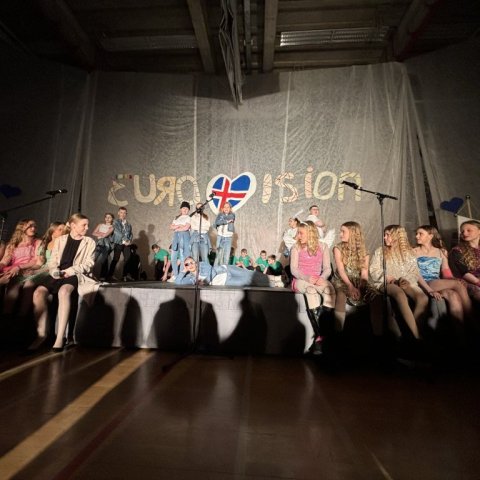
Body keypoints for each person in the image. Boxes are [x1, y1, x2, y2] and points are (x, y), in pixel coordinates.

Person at [30, 213, 96, 351]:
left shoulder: (89, 242)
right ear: (73, 226)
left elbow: (89, 264)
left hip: (75, 274)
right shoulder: (61, 240)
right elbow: (53, 260)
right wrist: (54, 270)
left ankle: (60, 337)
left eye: (87, 225)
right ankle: (41, 335)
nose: (87, 228)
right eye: (84, 225)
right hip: (57, 273)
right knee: (38, 293)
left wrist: (70, 271)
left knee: (64, 292)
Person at [369, 225, 428, 341]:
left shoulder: (409, 252)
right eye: (384, 235)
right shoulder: (380, 251)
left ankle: (412, 329)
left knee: (423, 298)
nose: (384, 237)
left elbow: (414, 271)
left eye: (388, 235)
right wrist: (389, 278)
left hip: (406, 282)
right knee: (399, 293)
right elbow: (374, 270)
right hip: (386, 282)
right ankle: (416, 336)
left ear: (397, 236)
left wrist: (405, 280)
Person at [290, 221, 336, 354]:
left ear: (310, 233)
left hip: (318, 278)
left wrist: (323, 278)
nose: (298, 236)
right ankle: (321, 336)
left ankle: (325, 335)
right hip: (301, 279)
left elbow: (327, 268)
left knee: (330, 290)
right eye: (298, 233)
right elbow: (294, 269)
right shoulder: (296, 247)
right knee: (311, 291)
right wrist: (306, 278)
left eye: (301, 233)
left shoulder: (323, 246)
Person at [414, 225, 472, 324]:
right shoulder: (413, 251)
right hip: (422, 282)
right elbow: (415, 273)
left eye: (420, 234)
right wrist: (430, 290)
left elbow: (445, 270)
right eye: (416, 234)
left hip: (436, 282)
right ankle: (472, 318)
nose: (417, 236)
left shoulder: (441, 251)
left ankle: (460, 330)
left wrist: (452, 279)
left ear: (430, 236)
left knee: (453, 295)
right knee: (458, 284)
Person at [332, 221, 376, 331]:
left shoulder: (364, 251)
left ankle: (378, 333)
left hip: (359, 280)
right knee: (341, 295)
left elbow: (364, 272)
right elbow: (341, 270)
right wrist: (350, 286)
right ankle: (337, 332)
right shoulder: (338, 248)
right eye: (340, 231)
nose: (340, 234)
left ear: (352, 233)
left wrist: (360, 287)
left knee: (376, 296)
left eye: (343, 232)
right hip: (343, 279)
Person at [0, 219, 44, 315]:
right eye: (30, 226)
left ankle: (21, 315)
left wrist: (20, 267)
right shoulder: (13, 244)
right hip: (13, 269)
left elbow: (36, 261)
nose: (33, 228)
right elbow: (4, 261)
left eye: (35, 226)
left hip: (28, 268)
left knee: (21, 283)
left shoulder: (38, 242)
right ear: (22, 227)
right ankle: (6, 313)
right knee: (7, 279)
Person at [175, 256, 269, 287]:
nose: (190, 265)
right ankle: (270, 283)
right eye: (187, 264)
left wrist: (205, 282)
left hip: (227, 270)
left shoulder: (202, 264)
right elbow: (178, 282)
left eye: (191, 262)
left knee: (249, 274)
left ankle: (272, 279)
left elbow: (213, 271)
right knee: (248, 282)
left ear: (195, 263)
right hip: (226, 281)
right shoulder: (191, 278)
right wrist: (184, 270)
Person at [449, 220, 480, 302]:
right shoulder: (457, 250)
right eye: (462, 231)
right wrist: (478, 282)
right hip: (468, 282)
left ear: (479, 231)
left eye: (469, 230)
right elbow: (463, 272)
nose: (465, 233)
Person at [106, 207, 133, 281]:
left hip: (127, 244)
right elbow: (117, 232)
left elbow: (131, 234)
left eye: (124, 213)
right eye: (121, 212)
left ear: (126, 214)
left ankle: (125, 276)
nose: (123, 214)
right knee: (116, 259)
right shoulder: (115, 222)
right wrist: (125, 240)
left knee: (127, 259)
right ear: (118, 213)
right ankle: (110, 275)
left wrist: (129, 241)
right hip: (118, 242)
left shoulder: (128, 224)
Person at [168, 201, 192, 282]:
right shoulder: (176, 217)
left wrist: (176, 228)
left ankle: (181, 276)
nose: (185, 210)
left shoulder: (188, 217)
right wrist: (179, 225)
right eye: (183, 208)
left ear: (188, 210)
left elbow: (186, 228)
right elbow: (171, 227)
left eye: (187, 209)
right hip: (176, 237)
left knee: (183, 257)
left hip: (184, 236)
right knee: (173, 257)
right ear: (180, 209)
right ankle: (175, 275)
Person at [92, 212, 114, 280]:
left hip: (106, 245)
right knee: (93, 259)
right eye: (106, 217)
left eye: (109, 217)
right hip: (99, 243)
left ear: (112, 219)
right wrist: (102, 234)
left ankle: (103, 276)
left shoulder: (112, 227)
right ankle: (89, 273)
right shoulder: (100, 225)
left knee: (103, 261)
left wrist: (99, 233)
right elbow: (93, 233)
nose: (107, 218)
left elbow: (105, 235)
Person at [213, 202, 235, 266]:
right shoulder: (220, 215)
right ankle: (215, 269)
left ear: (230, 208)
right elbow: (217, 222)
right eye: (225, 207)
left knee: (226, 255)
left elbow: (230, 218)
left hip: (228, 237)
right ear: (222, 208)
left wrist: (222, 220)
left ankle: (225, 269)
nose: (226, 208)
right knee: (219, 255)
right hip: (220, 237)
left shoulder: (232, 215)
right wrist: (226, 221)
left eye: (228, 207)